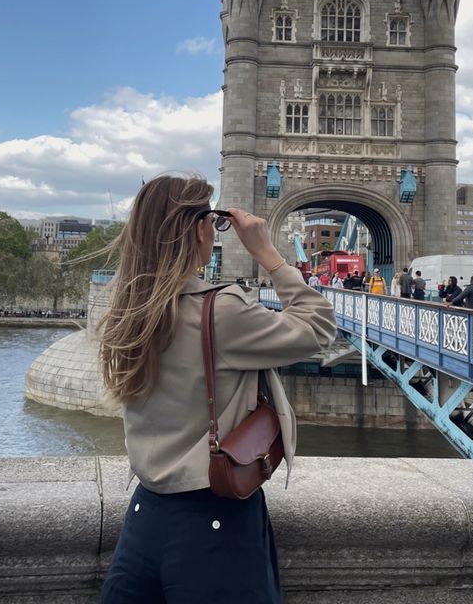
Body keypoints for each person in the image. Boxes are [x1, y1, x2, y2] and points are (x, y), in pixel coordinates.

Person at [99, 175, 336, 604]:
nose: (215, 229)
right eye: (213, 220)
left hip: (144, 517)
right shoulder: (220, 310)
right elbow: (318, 327)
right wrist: (267, 254)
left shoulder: (127, 309)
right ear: (197, 229)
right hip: (215, 522)